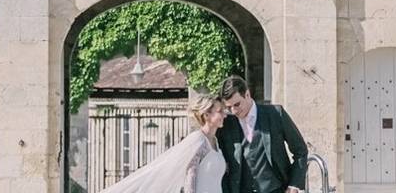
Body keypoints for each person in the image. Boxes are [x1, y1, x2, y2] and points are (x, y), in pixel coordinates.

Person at [99, 94, 227, 193]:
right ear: (206, 115)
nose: (225, 115)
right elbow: (190, 177)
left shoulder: (215, 142)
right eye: (220, 111)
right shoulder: (198, 140)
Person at [217, 76, 308, 193]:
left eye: (237, 104)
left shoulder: (275, 114)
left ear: (247, 95)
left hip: (275, 189)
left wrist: (294, 185)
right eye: (229, 107)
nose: (234, 111)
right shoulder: (226, 124)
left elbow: (300, 150)